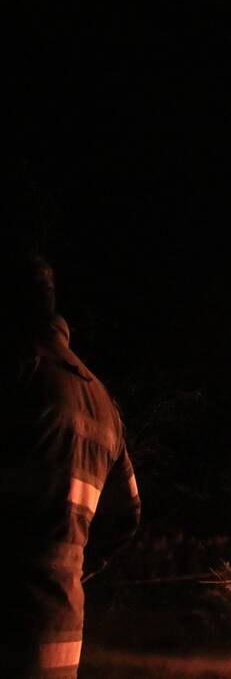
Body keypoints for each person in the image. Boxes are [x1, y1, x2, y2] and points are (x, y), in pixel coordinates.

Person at [0, 255, 141, 678]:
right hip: (60, 638)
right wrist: (63, 571)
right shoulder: (102, 402)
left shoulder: (14, 371)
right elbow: (126, 519)